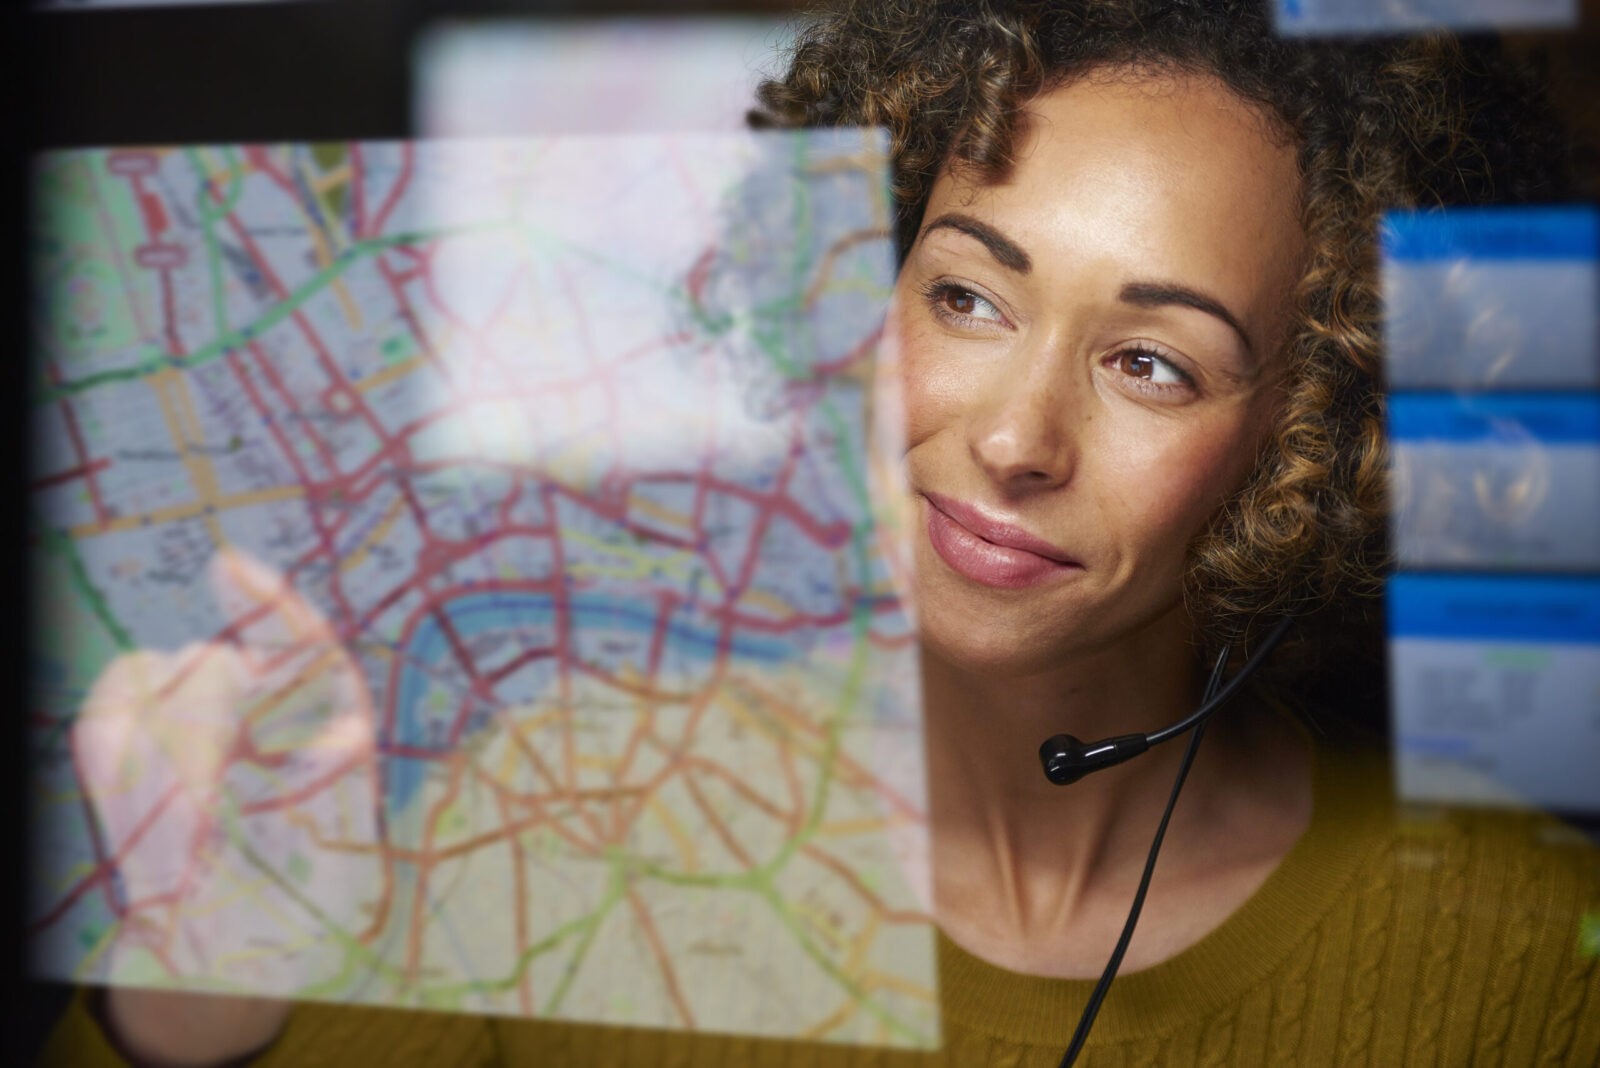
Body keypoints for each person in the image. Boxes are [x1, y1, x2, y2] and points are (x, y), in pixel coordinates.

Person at [40, 1, 1600, 1065]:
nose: (1012, 437)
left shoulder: (1525, 964)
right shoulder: (555, 819)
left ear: (1310, 439)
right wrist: (207, 971)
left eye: (1151, 362)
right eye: (969, 297)